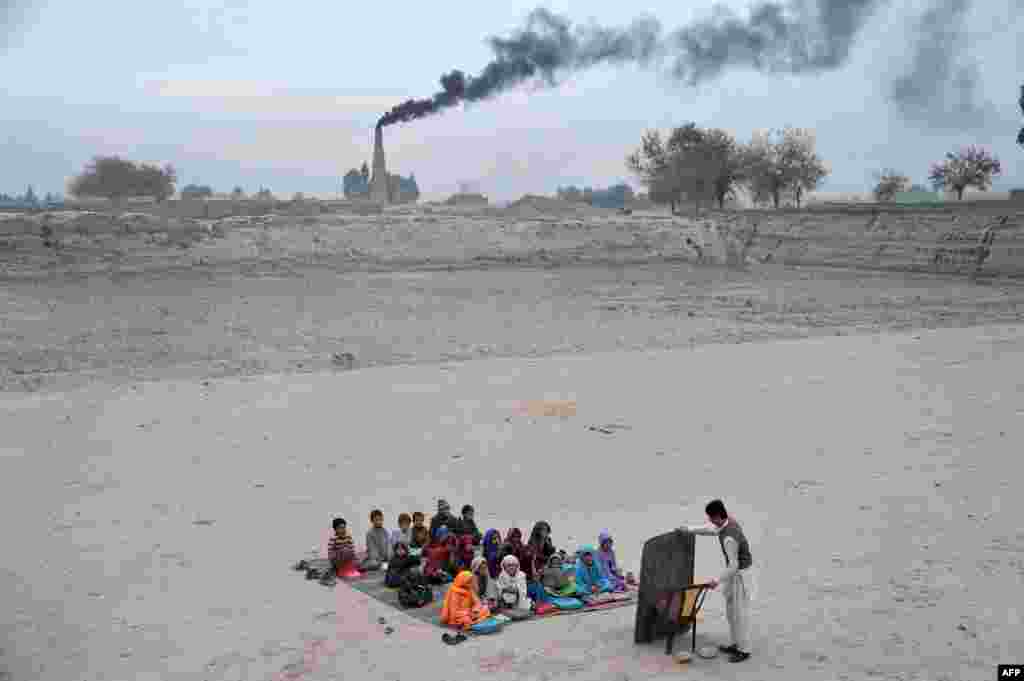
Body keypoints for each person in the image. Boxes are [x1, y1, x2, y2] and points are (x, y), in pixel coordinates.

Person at [679, 499, 754, 663]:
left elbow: (734, 565)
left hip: (740, 574)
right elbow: (710, 529)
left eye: (711, 517)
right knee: (731, 610)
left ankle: (744, 650)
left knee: (739, 612)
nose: (710, 521)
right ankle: (736, 644)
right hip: (734, 573)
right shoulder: (727, 522)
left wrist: (716, 580)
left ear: (719, 515)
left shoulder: (729, 538)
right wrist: (689, 529)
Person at [495, 555, 533, 620]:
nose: (511, 567)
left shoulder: (521, 575)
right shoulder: (501, 576)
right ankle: (507, 610)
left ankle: (516, 611)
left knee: (527, 604)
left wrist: (515, 590)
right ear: (504, 566)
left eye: (513, 565)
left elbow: (523, 590)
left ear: (517, 566)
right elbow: (499, 588)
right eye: (509, 565)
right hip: (506, 600)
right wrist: (505, 590)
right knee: (505, 597)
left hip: (519, 599)